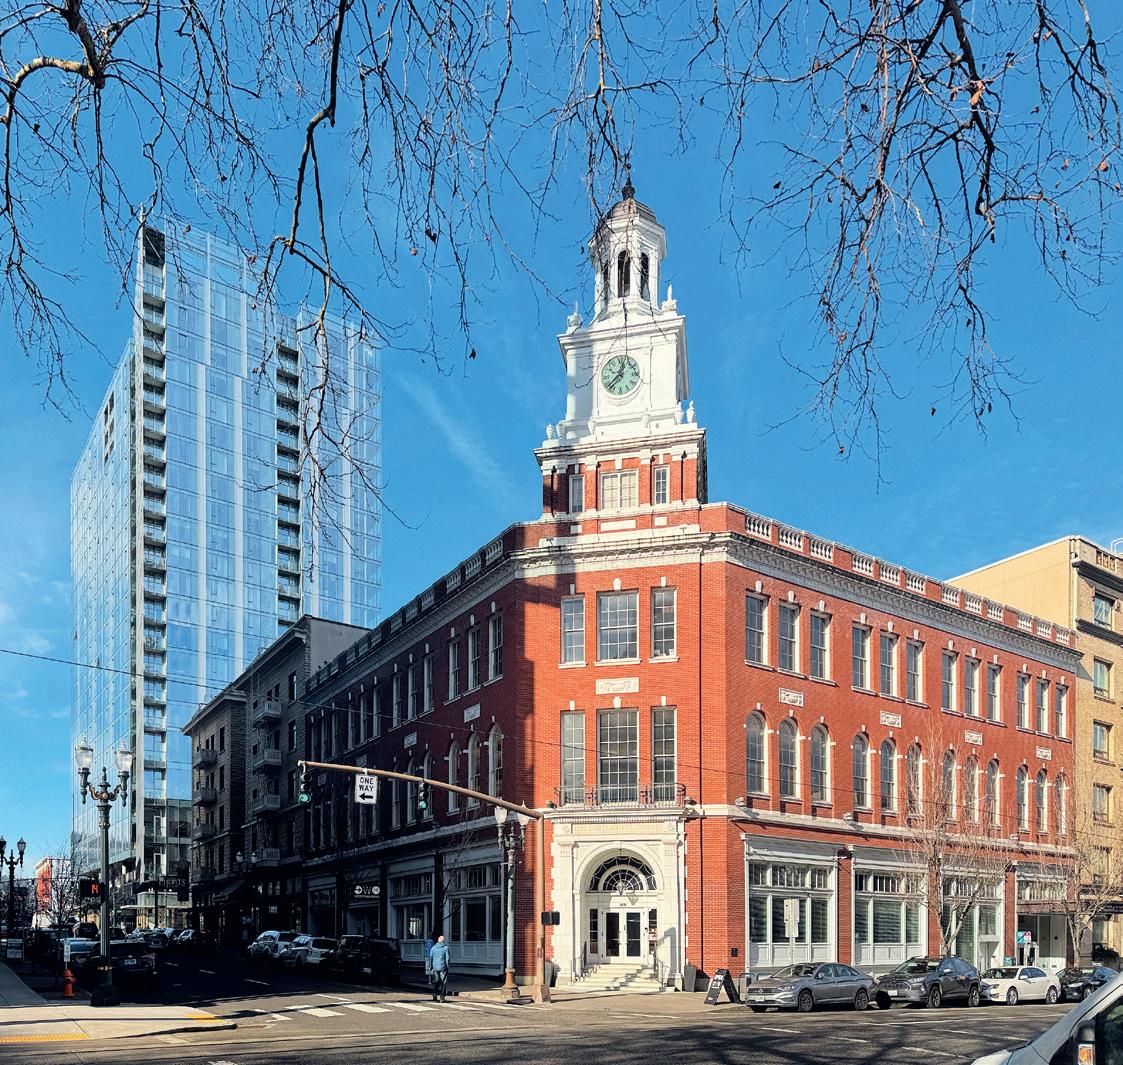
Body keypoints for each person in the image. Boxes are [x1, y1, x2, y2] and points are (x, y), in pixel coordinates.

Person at [428, 933, 450, 1002]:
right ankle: (442, 997)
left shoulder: (433, 948)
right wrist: (447, 966)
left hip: (435, 967)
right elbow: (447, 959)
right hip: (443, 967)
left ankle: (434, 994)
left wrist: (430, 966)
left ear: (438, 940)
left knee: (437, 981)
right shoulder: (445, 948)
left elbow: (430, 958)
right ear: (443, 941)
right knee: (443, 982)